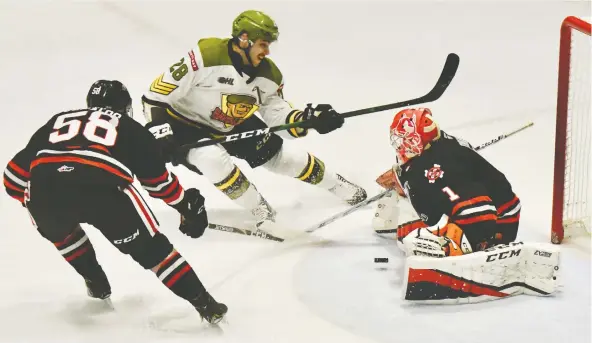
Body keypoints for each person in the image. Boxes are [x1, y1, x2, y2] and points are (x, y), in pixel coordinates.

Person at [2, 80, 227, 324]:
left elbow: (12, 177)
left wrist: (39, 203)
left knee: (62, 234)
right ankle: (206, 305)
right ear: (124, 107)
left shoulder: (59, 120)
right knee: (155, 253)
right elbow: (158, 184)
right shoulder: (129, 126)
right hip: (102, 194)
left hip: (45, 190)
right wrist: (187, 207)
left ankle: (95, 282)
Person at [141, 10, 367, 234]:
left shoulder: (270, 76)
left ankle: (336, 184)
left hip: (231, 121)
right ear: (244, 39)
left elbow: (279, 117)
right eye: (263, 44)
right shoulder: (206, 55)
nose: (267, 51)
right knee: (213, 161)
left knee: (287, 158)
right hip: (183, 123)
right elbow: (155, 95)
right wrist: (159, 130)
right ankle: (258, 207)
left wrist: (308, 120)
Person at [372, 107, 521, 257]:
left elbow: (429, 210)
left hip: (484, 223)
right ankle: (473, 240)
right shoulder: (450, 144)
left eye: (405, 140)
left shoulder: (418, 171)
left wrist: (401, 179)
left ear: (418, 139)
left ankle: (463, 245)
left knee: (413, 239)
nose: (399, 146)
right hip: (505, 217)